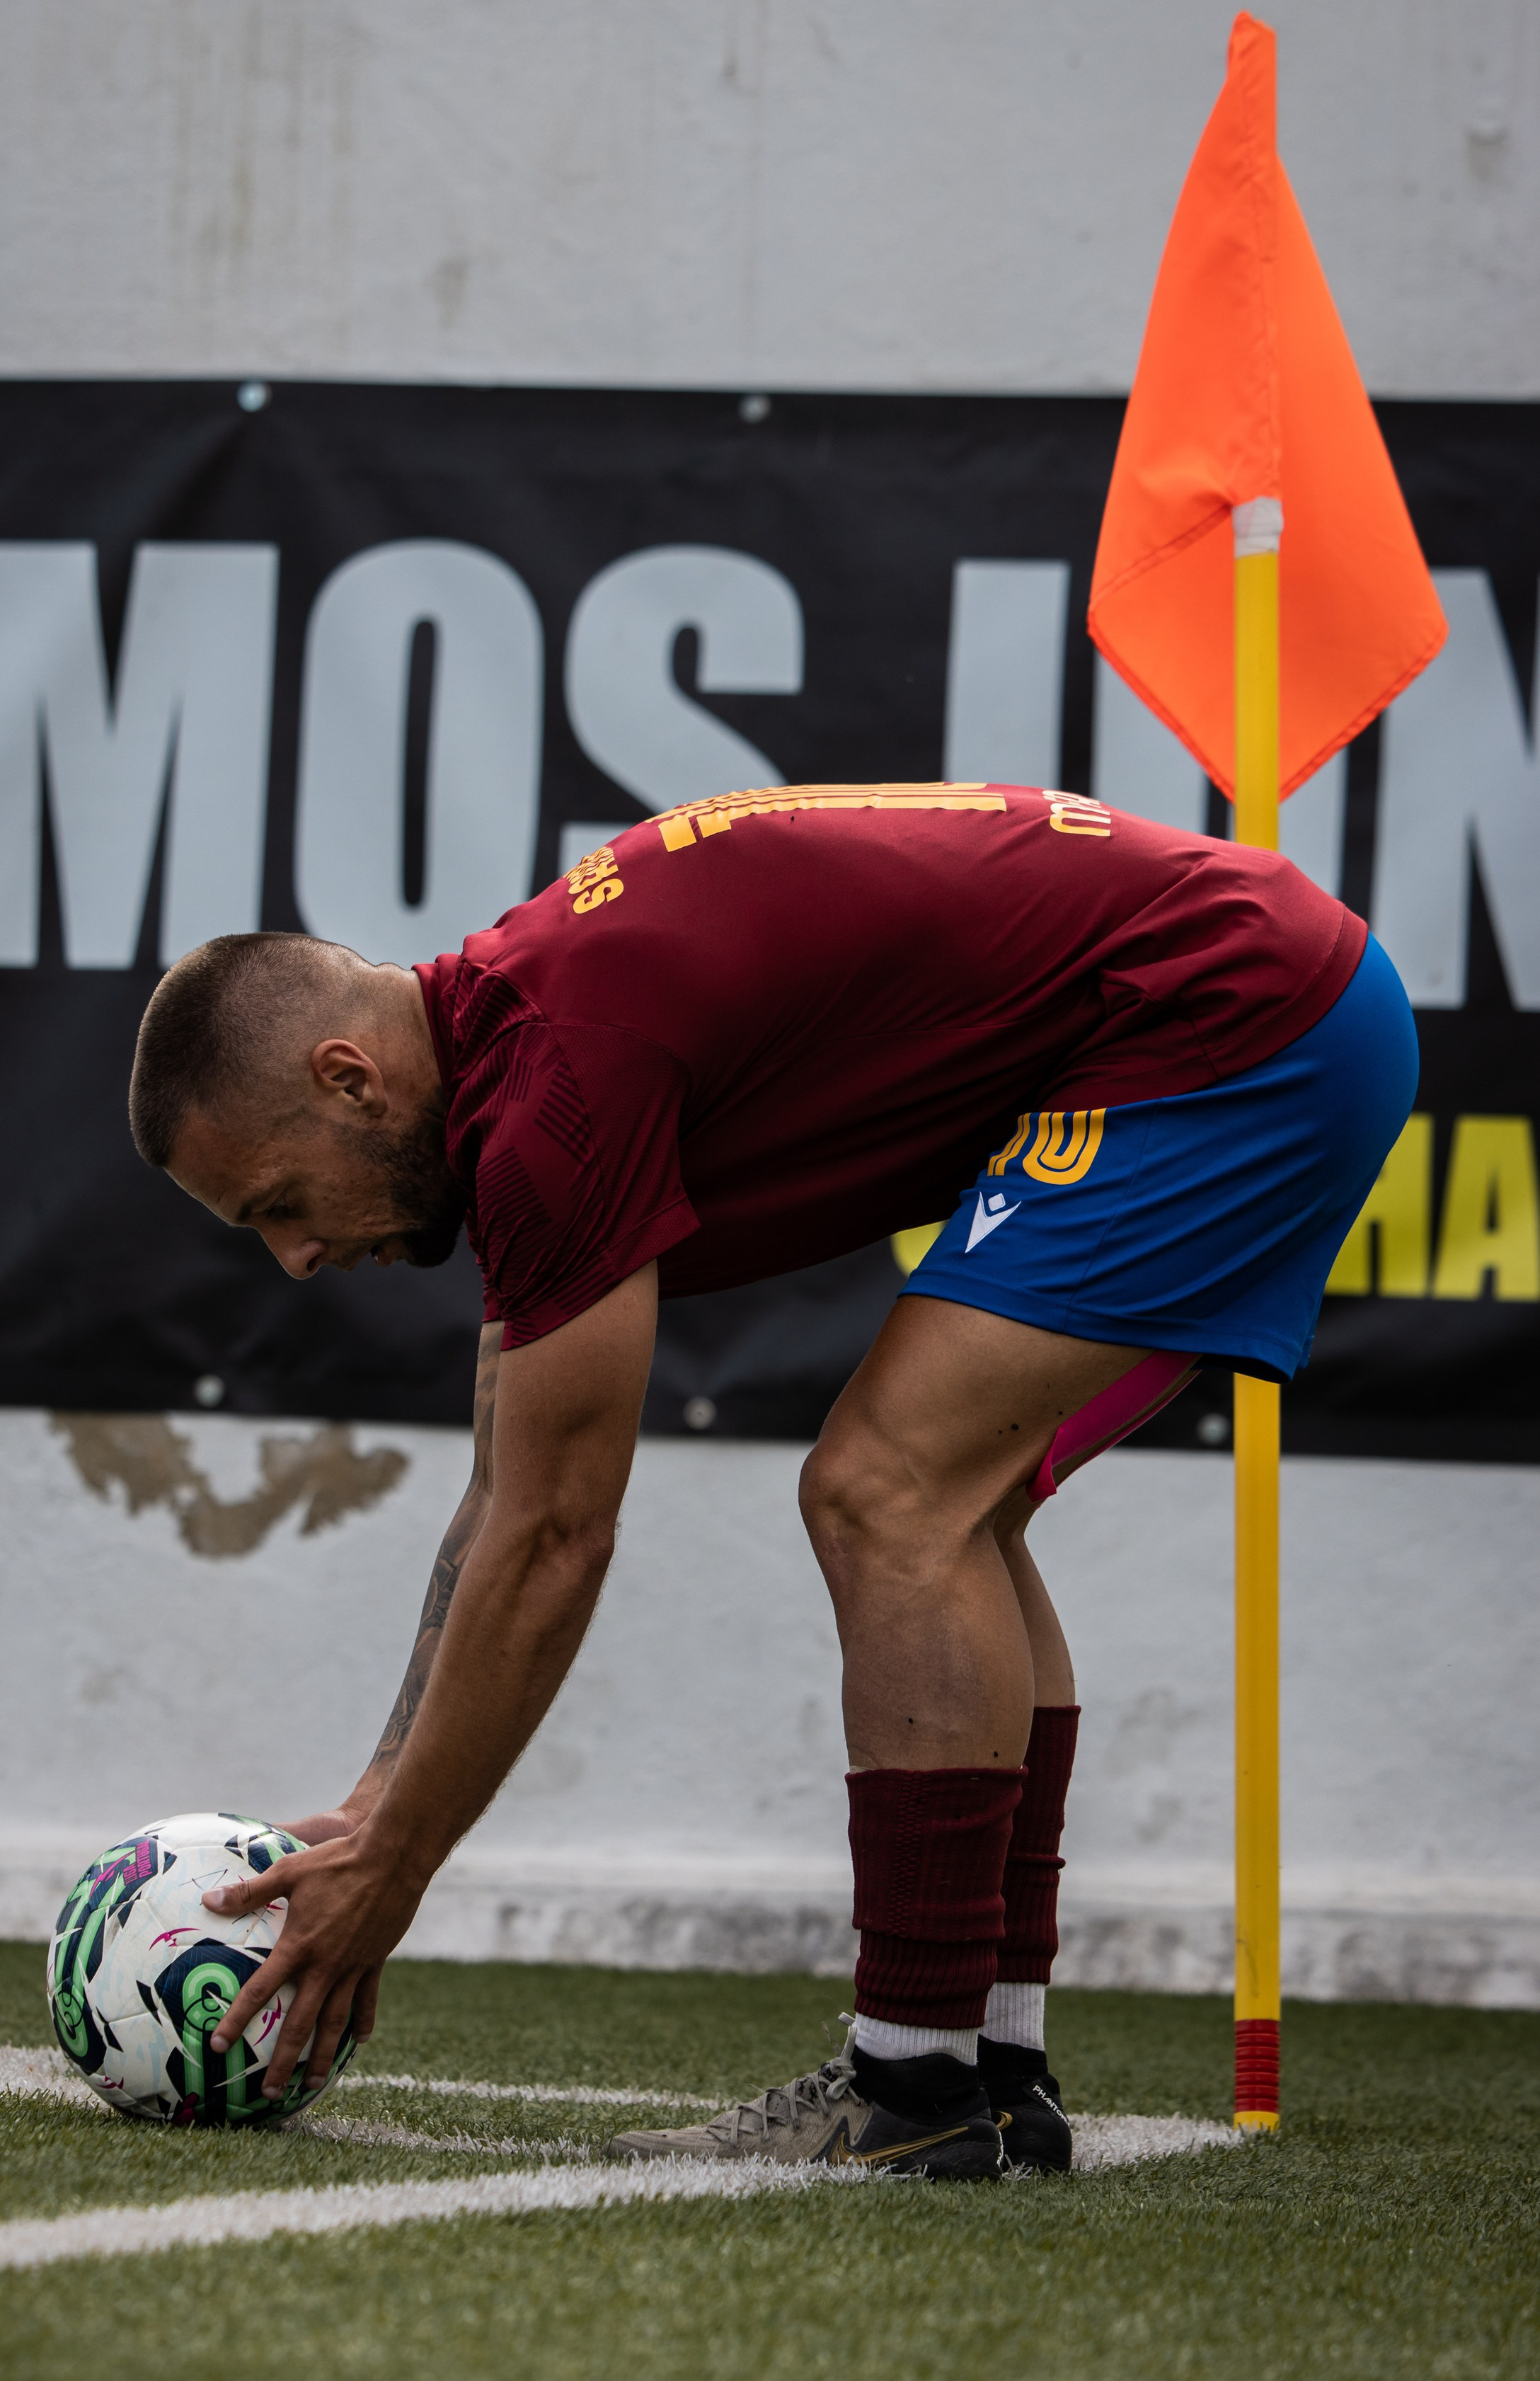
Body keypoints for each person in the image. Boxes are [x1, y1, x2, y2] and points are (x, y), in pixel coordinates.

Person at [128, 781, 1415, 2179]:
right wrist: (381, 1799)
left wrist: (396, 1873)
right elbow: (503, 1494)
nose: (297, 1260)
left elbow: (557, 1540)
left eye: (278, 1205)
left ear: (348, 1078)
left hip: (1233, 1022)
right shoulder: (516, 1061)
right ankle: (989, 2076)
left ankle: (912, 2090)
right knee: (955, 1507)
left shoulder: (557, 1093)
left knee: (886, 1494)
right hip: (1264, 1000)